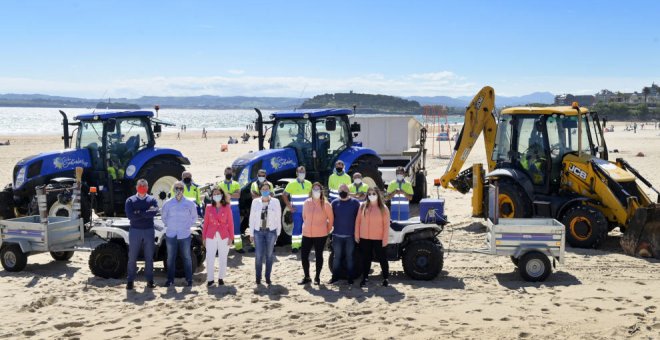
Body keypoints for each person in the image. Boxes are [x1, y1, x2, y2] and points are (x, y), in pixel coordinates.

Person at [161, 181, 198, 287]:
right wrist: (170, 225)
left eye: (181, 188)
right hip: (171, 234)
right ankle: (170, 280)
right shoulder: (167, 203)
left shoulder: (189, 203)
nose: (179, 190)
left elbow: (194, 217)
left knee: (186, 257)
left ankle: (189, 280)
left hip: (185, 234)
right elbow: (164, 217)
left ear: (183, 190)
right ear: (173, 189)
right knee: (170, 258)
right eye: (177, 187)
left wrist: (187, 225)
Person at [125, 179, 160, 290]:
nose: (142, 187)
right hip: (135, 231)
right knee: (132, 257)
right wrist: (145, 213)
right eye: (140, 185)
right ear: (136, 187)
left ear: (147, 187)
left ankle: (150, 281)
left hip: (149, 231)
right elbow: (131, 216)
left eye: (144, 185)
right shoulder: (130, 200)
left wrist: (139, 212)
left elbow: (154, 212)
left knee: (149, 257)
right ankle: (130, 281)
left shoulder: (152, 199)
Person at [355, 186, 390, 288]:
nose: (371, 196)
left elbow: (386, 225)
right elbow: (358, 221)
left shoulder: (383, 208)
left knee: (382, 258)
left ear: (378, 194)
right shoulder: (362, 206)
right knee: (366, 258)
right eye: (369, 194)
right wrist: (357, 234)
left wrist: (385, 239)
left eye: (373, 193)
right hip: (365, 237)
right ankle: (365, 277)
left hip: (378, 238)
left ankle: (385, 278)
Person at [299, 182, 334, 285]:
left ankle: (317, 277)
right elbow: (304, 217)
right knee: (304, 255)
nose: (316, 191)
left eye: (318, 189)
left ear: (321, 191)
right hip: (307, 234)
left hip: (320, 234)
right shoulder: (306, 202)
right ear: (311, 191)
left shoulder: (326, 204)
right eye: (314, 189)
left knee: (319, 255)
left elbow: (331, 219)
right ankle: (307, 277)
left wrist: (326, 231)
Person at [248, 182, 282, 285]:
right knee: (258, 255)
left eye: (267, 189)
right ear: (260, 191)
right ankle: (258, 278)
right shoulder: (255, 202)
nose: (265, 191)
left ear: (270, 190)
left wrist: (277, 233)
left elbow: (278, 217)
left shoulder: (275, 202)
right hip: (258, 232)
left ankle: (268, 277)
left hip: (271, 232)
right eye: (263, 189)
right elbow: (252, 218)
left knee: (269, 255)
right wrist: (251, 233)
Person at [202, 186, 234, 287]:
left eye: (218, 194)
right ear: (212, 196)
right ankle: (210, 279)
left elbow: (231, 223)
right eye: (214, 194)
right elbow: (205, 223)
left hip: (224, 235)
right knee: (209, 257)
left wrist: (231, 237)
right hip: (210, 235)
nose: (216, 195)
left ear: (222, 195)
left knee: (223, 257)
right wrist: (203, 238)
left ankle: (221, 278)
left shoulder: (227, 207)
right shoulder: (208, 207)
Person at [330, 183, 360, 285]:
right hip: (337, 235)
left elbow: (359, 218)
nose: (343, 192)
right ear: (338, 192)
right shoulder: (334, 203)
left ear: (348, 191)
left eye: (345, 190)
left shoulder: (355, 203)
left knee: (350, 257)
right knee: (336, 257)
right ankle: (335, 277)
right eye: (341, 190)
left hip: (350, 236)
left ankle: (350, 278)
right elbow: (330, 218)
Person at [282, 166, 312, 252]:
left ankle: (303, 245)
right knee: (297, 228)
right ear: (296, 173)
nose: (301, 174)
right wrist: (290, 207)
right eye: (300, 172)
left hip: (307, 212)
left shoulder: (309, 183)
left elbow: (310, 196)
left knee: (306, 229)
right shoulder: (291, 184)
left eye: (303, 172)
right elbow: (284, 195)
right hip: (297, 212)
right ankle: (295, 246)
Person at [217, 167, 243, 252]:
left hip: (234, 210)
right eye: (227, 172)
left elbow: (238, 196)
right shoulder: (220, 185)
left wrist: (226, 194)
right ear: (224, 173)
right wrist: (232, 194)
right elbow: (219, 197)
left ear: (232, 174)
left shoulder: (236, 184)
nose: (229, 174)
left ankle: (238, 247)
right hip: (223, 210)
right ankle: (222, 247)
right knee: (222, 228)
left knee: (236, 228)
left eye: (230, 172)